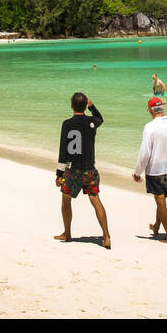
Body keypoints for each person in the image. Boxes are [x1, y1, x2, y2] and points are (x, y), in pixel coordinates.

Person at [54, 92, 111, 249]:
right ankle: (106, 237)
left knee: (66, 198)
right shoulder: (92, 122)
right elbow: (100, 118)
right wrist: (92, 106)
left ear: (71, 106)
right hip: (89, 171)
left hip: (72, 172)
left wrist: (59, 173)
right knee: (95, 199)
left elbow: (63, 151)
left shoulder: (66, 124)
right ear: (85, 106)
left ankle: (67, 233)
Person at [133, 96, 167, 244]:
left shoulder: (149, 127)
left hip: (155, 170)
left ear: (151, 110)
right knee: (162, 199)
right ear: (162, 108)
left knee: (160, 202)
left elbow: (145, 153)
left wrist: (137, 172)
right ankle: (157, 226)